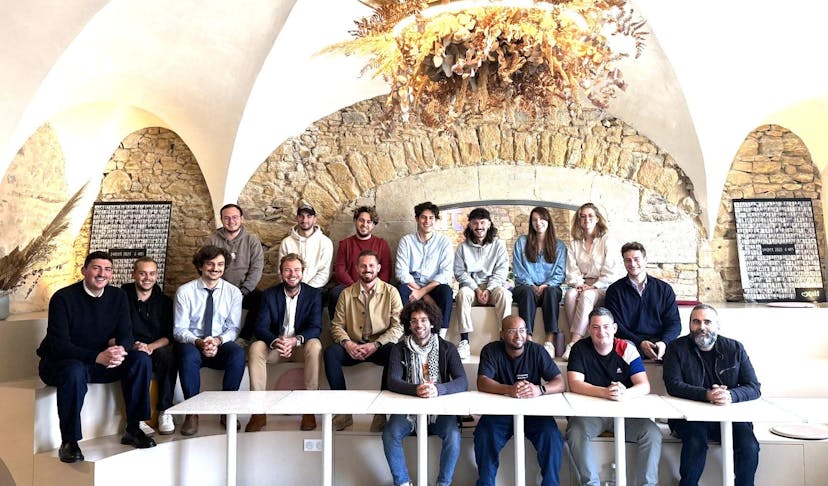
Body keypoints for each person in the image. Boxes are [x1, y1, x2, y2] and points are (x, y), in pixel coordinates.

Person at [37, 251, 156, 463]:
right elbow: (60, 345)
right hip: (61, 362)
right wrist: (97, 357)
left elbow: (127, 334)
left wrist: (120, 350)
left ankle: (134, 428)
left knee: (140, 359)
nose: (102, 273)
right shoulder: (63, 298)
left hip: (101, 360)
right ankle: (69, 441)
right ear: (84, 271)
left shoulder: (118, 296)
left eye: (107, 269)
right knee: (74, 371)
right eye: (96, 268)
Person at [663, 304, 761, 486]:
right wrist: (707, 395)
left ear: (717, 326)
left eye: (707, 322)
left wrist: (730, 395)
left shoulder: (735, 348)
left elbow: (754, 387)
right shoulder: (676, 348)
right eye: (696, 322)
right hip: (689, 418)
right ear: (690, 325)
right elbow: (673, 385)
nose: (702, 327)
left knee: (749, 446)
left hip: (729, 416)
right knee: (695, 443)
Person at [565, 307, 661, 486]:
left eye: (606, 326)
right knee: (575, 431)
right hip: (591, 414)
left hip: (625, 413)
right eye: (595, 327)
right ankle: (591, 484)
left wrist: (624, 393)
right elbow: (575, 383)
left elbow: (644, 385)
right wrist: (605, 392)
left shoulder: (626, 348)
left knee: (652, 433)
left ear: (615, 328)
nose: (601, 332)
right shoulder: (579, 348)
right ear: (589, 329)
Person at [382, 300, 468, 486]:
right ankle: (402, 482)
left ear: (432, 322)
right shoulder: (399, 348)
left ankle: (443, 483)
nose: (418, 325)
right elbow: (393, 381)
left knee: (453, 435)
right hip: (408, 410)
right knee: (390, 433)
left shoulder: (447, 348)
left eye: (423, 320)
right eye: (413, 321)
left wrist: (438, 389)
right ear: (408, 324)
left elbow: (462, 381)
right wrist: (416, 389)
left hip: (440, 411)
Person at [474, 315, 566, 486]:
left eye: (522, 330)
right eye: (512, 331)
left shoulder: (537, 350)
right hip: (500, 412)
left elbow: (560, 383)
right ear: (502, 334)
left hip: (533, 412)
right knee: (484, 434)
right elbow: (482, 382)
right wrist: (510, 389)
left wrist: (539, 389)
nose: (518, 335)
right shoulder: (491, 350)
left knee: (552, 437)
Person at [324, 249, 404, 431]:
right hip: (354, 347)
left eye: (371, 266)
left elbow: (398, 326)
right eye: (363, 266)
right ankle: (343, 412)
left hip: (379, 346)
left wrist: (376, 344)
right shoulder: (346, 293)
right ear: (357, 268)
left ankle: (381, 413)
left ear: (378, 268)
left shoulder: (391, 292)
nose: (367, 269)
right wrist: (348, 344)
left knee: (395, 351)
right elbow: (337, 325)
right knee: (330, 353)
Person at [246, 253, 322, 432]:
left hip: (300, 347)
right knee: (256, 347)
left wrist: (295, 340)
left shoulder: (314, 295)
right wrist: (276, 342)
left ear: (302, 272)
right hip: (276, 347)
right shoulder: (269, 295)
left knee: (315, 345)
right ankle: (258, 412)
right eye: (288, 270)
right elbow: (260, 327)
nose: (292, 274)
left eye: (296, 270)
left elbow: (315, 327)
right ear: (281, 273)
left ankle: (309, 410)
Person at [173, 245, 245, 436]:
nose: (215, 268)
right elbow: (179, 329)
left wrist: (218, 341)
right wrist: (200, 342)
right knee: (187, 356)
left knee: (238, 354)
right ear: (200, 266)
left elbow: (233, 328)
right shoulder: (185, 291)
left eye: (220, 264)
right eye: (210, 264)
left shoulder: (233, 293)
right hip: (193, 343)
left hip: (220, 343)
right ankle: (192, 412)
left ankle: (227, 411)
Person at [122, 256, 177, 435]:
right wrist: (133, 345)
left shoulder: (165, 302)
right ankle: (137, 418)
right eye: (143, 273)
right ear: (133, 274)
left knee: (169, 355)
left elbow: (169, 335)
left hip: (155, 346)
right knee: (141, 360)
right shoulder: (120, 298)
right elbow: (114, 331)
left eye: (152, 273)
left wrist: (151, 347)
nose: (148, 278)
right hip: (130, 347)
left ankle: (165, 410)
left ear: (156, 275)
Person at [563, 203, 621, 360]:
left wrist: (594, 286)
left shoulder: (607, 240)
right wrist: (579, 284)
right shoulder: (575, 243)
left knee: (587, 296)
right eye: (582, 216)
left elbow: (611, 271)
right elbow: (571, 270)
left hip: (603, 285)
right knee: (569, 295)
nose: (586, 219)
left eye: (590, 216)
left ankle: (574, 343)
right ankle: (580, 340)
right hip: (582, 284)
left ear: (597, 218)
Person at [604, 241, 681, 360]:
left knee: (680, 352)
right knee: (624, 349)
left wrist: (664, 342)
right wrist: (640, 343)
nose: (632, 264)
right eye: (628, 260)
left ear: (645, 260)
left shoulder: (664, 289)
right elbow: (616, 325)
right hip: (630, 342)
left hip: (660, 342)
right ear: (624, 262)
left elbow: (674, 323)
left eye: (636, 259)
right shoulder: (614, 291)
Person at [453, 207, 512, 360]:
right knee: (462, 294)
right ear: (470, 225)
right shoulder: (462, 247)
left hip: (493, 287)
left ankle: (504, 339)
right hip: (472, 288)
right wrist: (477, 289)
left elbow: (501, 271)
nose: (479, 226)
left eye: (482, 222)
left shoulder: (498, 245)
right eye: (475, 223)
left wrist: (489, 289)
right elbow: (460, 272)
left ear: (489, 224)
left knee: (505, 294)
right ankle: (464, 341)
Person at [512, 206, 567, 357]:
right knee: (526, 291)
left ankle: (549, 341)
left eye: (542, 219)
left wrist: (546, 285)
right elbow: (518, 269)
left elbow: (560, 272)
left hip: (549, 288)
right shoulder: (521, 242)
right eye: (534, 220)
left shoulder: (559, 246)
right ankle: (528, 339)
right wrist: (530, 284)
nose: (538, 223)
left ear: (548, 221)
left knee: (551, 291)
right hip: (525, 287)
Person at [207, 203, 264, 342]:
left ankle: (244, 338)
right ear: (221, 219)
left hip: (244, 289)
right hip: (219, 289)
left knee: (262, 300)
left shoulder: (252, 240)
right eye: (226, 218)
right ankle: (214, 339)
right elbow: (206, 266)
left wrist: (243, 291)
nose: (231, 221)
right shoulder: (212, 240)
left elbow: (256, 268)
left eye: (235, 217)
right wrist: (218, 288)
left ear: (241, 219)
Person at [395, 201, 454, 335]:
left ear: (435, 220)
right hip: (412, 286)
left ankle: (440, 334)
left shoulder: (444, 242)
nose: (427, 221)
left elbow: (445, 273)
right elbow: (401, 272)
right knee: (400, 289)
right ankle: (408, 333)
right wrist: (423, 294)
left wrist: (423, 292)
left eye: (431, 218)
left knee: (446, 291)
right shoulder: (406, 241)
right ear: (417, 219)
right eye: (423, 217)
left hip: (434, 287)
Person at [330, 206, 392, 319]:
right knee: (335, 293)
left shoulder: (382, 244)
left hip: (375, 287)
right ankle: (338, 330)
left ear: (373, 225)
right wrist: (357, 289)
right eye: (361, 220)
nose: (364, 224)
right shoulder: (345, 244)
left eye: (369, 222)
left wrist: (372, 287)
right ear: (355, 221)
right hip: (350, 287)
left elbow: (386, 271)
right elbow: (340, 271)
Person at [278, 202, 333, 289]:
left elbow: (324, 273)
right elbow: (281, 270)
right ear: (297, 218)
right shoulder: (286, 242)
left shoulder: (325, 242)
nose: (305, 220)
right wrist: (294, 289)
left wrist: (305, 290)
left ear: (315, 219)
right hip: (290, 287)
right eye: (301, 216)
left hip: (315, 288)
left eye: (309, 216)